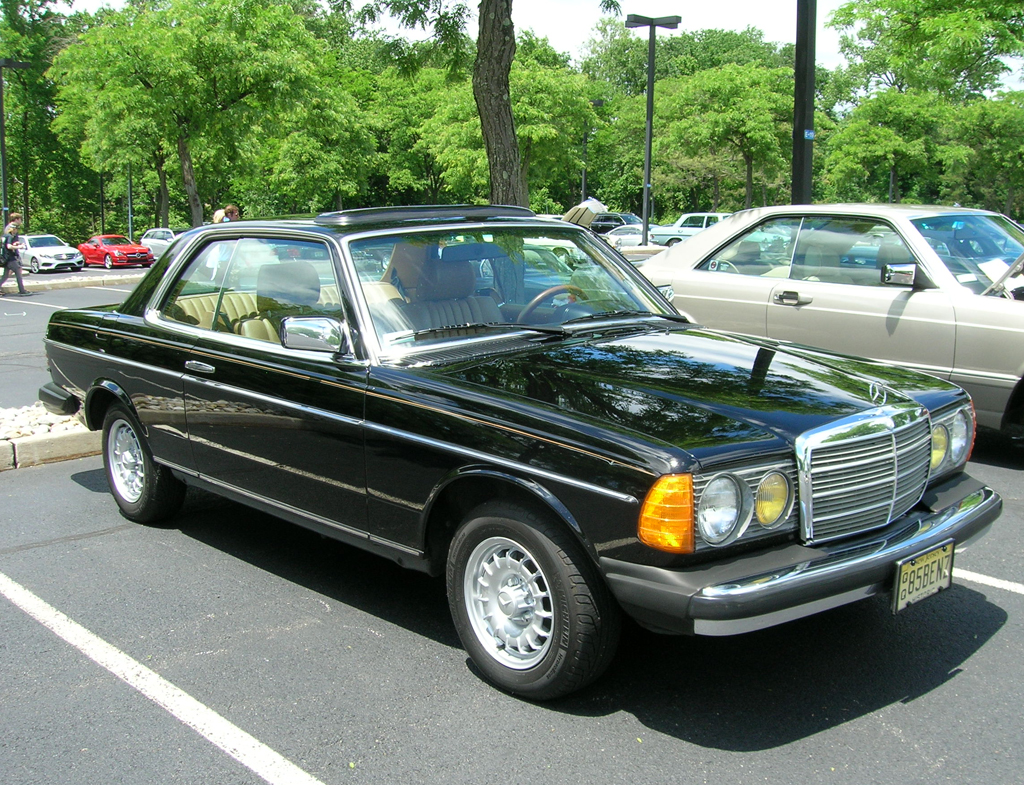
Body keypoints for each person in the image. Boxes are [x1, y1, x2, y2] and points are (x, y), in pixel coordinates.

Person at [0, 213, 30, 296]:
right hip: (11, 256)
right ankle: (22, 290)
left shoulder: (7, 232)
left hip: (8, 256)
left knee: (6, 275)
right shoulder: (9, 233)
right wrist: (18, 246)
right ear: (16, 219)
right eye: (20, 219)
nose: (21, 221)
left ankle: (22, 290)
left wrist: (16, 244)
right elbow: (8, 246)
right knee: (18, 271)